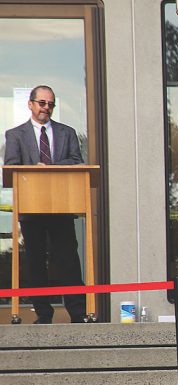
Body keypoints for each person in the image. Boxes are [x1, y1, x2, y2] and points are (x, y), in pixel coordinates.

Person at [4, 85, 86, 324]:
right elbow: (11, 168)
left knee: (69, 260)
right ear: (30, 104)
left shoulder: (67, 132)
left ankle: (79, 313)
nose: (46, 108)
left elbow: (76, 163)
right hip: (32, 209)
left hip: (62, 206)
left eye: (50, 104)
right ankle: (43, 314)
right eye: (42, 103)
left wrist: (50, 167)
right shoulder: (15, 135)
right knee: (35, 262)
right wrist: (34, 170)